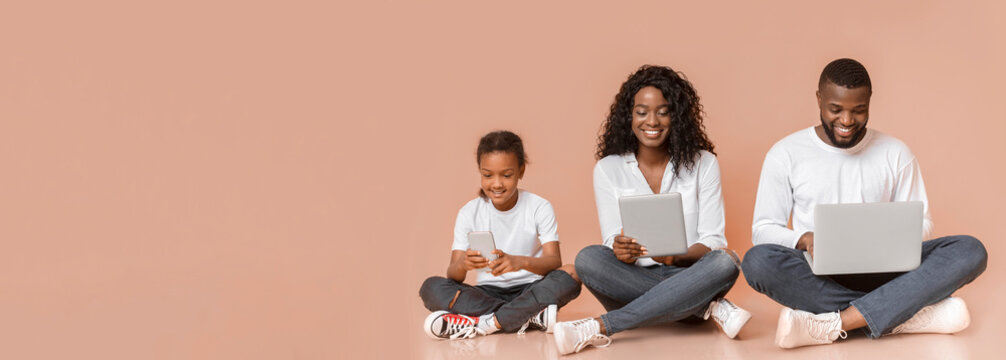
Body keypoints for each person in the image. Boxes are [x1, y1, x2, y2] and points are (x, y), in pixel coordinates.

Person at [742, 58, 988, 349]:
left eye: (858, 110)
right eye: (836, 109)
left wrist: (888, 238)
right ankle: (904, 314)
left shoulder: (896, 152)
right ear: (819, 99)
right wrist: (805, 239)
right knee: (757, 261)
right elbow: (763, 229)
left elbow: (924, 225)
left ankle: (839, 323)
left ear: (869, 103)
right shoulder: (785, 154)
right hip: (819, 275)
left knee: (970, 250)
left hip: (891, 273)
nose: (846, 121)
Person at [553, 65, 751, 355]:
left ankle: (600, 326)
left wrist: (675, 256)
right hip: (631, 278)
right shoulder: (608, 169)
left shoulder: (704, 163)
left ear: (677, 116)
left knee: (725, 261)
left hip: (690, 271)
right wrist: (620, 250)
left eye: (663, 111)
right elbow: (610, 241)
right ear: (629, 116)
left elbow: (713, 242)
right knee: (588, 259)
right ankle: (704, 308)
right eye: (642, 111)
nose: (652, 121)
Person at [418, 130, 582, 340]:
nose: (496, 184)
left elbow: (554, 260)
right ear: (480, 172)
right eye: (488, 175)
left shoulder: (539, 206)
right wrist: (464, 264)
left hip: (531, 288)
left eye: (506, 175)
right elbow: (453, 275)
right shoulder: (469, 212)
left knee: (572, 273)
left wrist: (518, 262)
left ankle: (486, 322)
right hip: (485, 293)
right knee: (431, 287)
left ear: (521, 171)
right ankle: (527, 316)